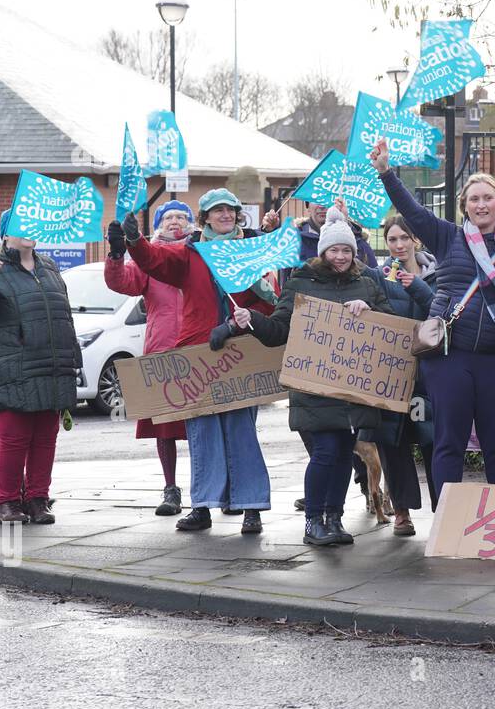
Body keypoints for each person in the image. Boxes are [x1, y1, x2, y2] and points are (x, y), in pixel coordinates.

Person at [372, 138, 495, 492]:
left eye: (488, 197)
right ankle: (447, 524)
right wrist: (386, 173)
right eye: (474, 199)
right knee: (448, 441)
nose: (481, 204)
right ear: (464, 206)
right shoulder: (447, 237)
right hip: (449, 356)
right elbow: (413, 212)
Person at [123, 189, 277, 535]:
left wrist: (241, 321)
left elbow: (270, 306)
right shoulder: (188, 255)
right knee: (202, 434)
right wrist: (134, 238)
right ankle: (202, 506)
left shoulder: (251, 254)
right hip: (198, 352)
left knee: (241, 433)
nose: (224, 215)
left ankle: (250, 506)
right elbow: (153, 261)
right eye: (216, 210)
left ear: (238, 215)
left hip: (240, 352)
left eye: (230, 210)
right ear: (205, 218)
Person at [236, 207, 392, 546]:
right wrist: (251, 319)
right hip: (314, 388)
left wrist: (371, 312)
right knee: (325, 452)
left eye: (346, 250)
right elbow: (278, 329)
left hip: (353, 390)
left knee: (343, 455)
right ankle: (313, 521)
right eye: (334, 250)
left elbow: (389, 324)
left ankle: (334, 519)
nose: (340, 256)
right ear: (323, 251)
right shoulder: (302, 281)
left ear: (354, 252)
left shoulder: (367, 283)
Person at [0, 210, 81, 524]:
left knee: (46, 439)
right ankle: (7, 502)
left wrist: (73, 359)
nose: (29, 232)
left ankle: (38, 500)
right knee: (15, 440)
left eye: (32, 226)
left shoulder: (50, 267)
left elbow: (63, 317)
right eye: (20, 227)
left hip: (52, 367)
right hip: (14, 367)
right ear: (5, 235)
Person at [105, 201, 191, 516]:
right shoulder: (149, 259)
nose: (175, 221)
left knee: (204, 427)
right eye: (168, 217)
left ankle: (211, 489)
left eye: (182, 216)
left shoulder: (200, 253)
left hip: (202, 350)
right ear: (158, 226)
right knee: (166, 427)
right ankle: (171, 489)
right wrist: (117, 254)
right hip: (163, 351)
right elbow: (122, 282)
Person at [361, 214, 439, 535]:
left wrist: (418, 286)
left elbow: (441, 312)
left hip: (428, 374)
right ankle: (402, 513)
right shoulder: (380, 276)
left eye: (404, 238)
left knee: (434, 441)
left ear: (416, 240)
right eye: (392, 240)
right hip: (391, 375)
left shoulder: (437, 274)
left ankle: (445, 509)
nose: (398, 245)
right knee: (393, 442)